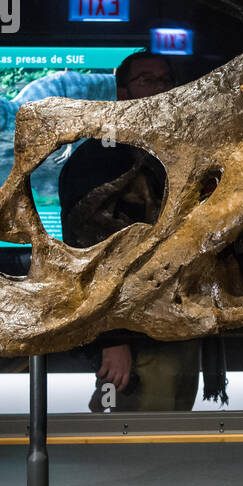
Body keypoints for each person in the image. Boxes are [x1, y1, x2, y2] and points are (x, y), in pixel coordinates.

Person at [58, 51, 208, 412]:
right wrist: (112, 340)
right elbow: (88, 254)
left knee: (171, 436)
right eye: (147, 80)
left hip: (180, 324)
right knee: (135, 441)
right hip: (134, 338)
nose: (160, 88)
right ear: (123, 93)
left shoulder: (181, 153)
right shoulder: (97, 160)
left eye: (165, 79)